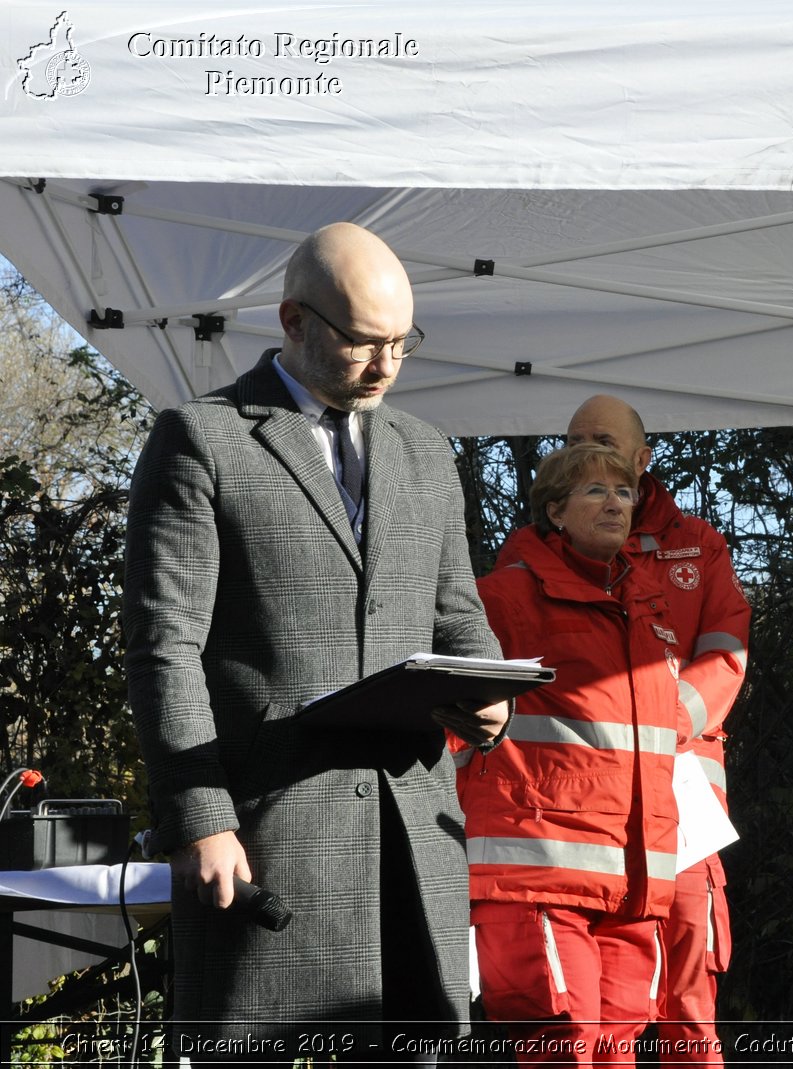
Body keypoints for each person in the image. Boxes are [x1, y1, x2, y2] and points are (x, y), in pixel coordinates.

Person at [123, 222, 510, 1049]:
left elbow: (456, 610)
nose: (385, 367)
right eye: (364, 342)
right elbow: (165, 645)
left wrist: (486, 690)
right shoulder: (203, 440)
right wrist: (199, 819)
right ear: (292, 319)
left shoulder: (427, 454)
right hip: (266, 843)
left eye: (402, 343)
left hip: (414, 846)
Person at [460, 443, 687, 1066]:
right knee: (564, 1044)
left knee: (618, 1045)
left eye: (624, 492)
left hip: (636, 878)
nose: (616, 503)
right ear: (554, 511)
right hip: (534, 871)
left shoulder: (649, 608)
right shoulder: (501, 599)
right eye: (595, 492)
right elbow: (446, 720)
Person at [561, 395, 750, 1060]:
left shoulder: (697, 544)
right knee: (603, 1001)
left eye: (606, 440)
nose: (590, 450)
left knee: (687, 1004)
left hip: (684, 810)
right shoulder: (535, 553)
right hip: (582, 813)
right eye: (576, 440)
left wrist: (648, 729)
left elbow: (727, 653)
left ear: (644, 459)